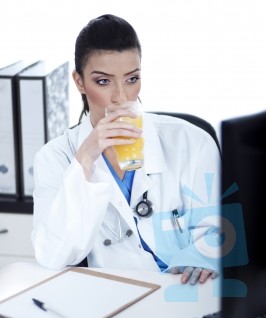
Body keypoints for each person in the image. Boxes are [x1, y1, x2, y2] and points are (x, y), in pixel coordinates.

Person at [32, 14, 221, 285]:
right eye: (103, 81)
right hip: (116, 297)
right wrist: (85, 160)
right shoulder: (55, 157)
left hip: (188, 291)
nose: (121, 96)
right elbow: (53, 255)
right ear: (79, 82)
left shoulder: (191, 142)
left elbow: (221, 232)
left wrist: (202, 256)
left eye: (132, 79)